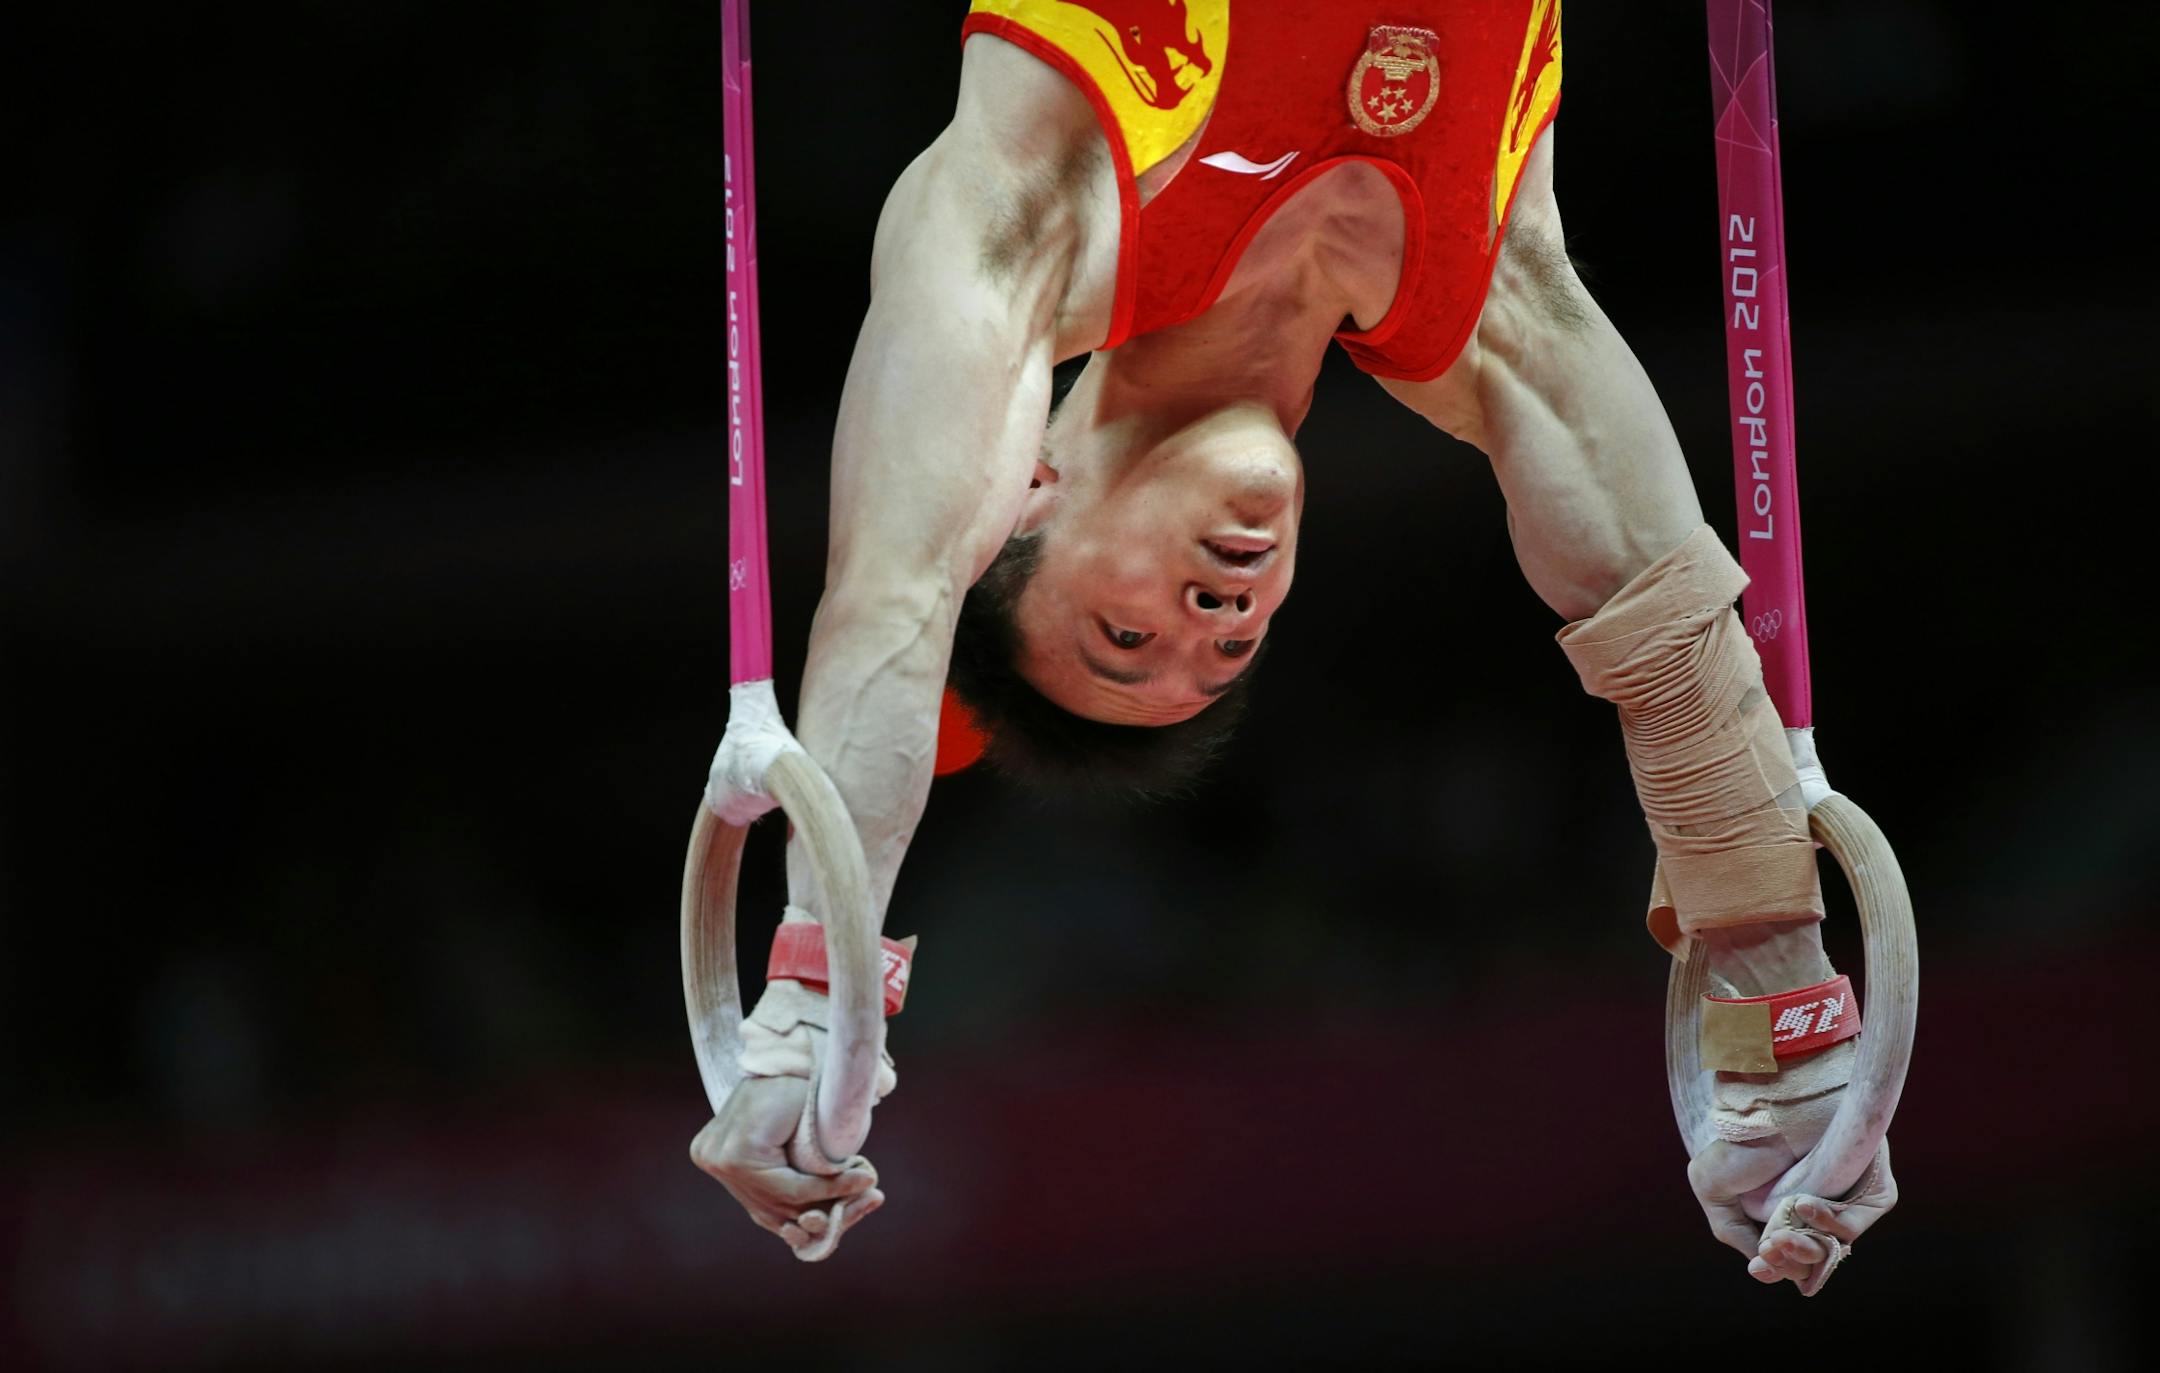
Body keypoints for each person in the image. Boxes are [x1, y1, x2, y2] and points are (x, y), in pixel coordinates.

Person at [693, 0, 1895, 1288]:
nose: (1214, 623)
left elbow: (899, 593)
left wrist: (813, 1013)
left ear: (1021, 490)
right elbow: (1680, 668)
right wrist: (1788, 1056)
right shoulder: (1491, 312)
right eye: (1222, 658)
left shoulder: (1037, 206)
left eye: (1124, 632)